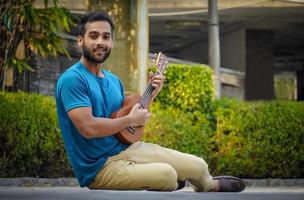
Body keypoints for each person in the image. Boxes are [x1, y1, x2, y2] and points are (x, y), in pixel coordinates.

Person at [55, 11, 245, 192]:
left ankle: (208, 185)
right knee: (167, 175)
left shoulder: (114, 81)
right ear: (81, 41)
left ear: (112, 42)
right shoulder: (73, 79)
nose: (100, 42)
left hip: (129, 149)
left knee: (199, 165)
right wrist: (130, 120)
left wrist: (151, 96)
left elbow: (127, 130)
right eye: (93, 36)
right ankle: (160, 178)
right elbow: (88, 128)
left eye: (106, 37)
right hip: (99, 169)